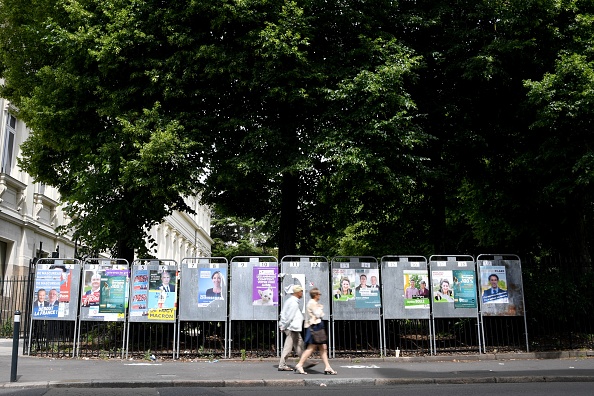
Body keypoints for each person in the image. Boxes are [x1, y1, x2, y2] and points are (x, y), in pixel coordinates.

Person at [294, 288, 337, 375]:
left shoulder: (313, 303)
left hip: (316, 326)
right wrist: (320, 308)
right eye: (319, 294)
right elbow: (318, 314)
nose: (320, 296)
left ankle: (327, 367)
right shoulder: (312, 303)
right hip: (315, 327)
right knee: (311, 348)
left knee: (323, 348)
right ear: (316, 295)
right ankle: (300, 364)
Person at [277, 285, 304, 371]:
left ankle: (305, 362)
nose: (302, 293)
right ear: (297, 292)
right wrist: (283, 326)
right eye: (301, 291)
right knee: (288, 347)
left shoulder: (292, 301)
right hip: (291, 328)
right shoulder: (293, 302)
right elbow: (289, 316)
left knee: (300, 345)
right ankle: (282, 364)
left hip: (293, 328)